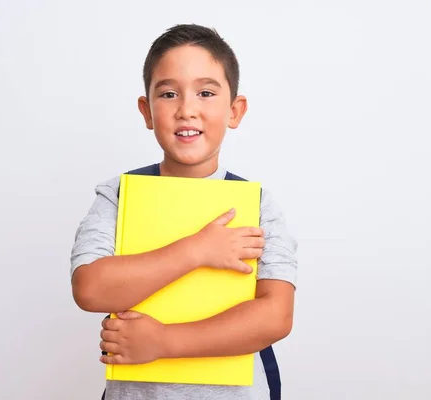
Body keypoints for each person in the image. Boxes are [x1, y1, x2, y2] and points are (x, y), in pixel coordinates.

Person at [70, 23, 298, 400]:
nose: (187, 109)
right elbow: (91, 289)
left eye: (206, 93)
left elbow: (276, 315)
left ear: (234, 110)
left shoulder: (258, 204)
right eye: (169, 93)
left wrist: (164, 341)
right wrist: (198, 251)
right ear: (146, 111)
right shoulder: (119, 194)